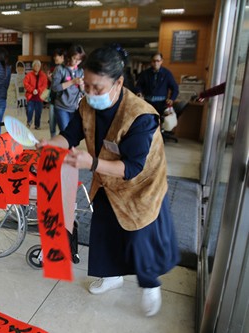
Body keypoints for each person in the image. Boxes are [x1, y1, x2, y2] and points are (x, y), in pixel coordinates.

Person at [38, 47, 179, 317]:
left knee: (139, 235)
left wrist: (90, 163)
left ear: (119, 83)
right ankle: (111, 276)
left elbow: (133, 166)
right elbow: (69, 134)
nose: (90, 94)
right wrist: (50, 145)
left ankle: (150, 284)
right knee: (103, 226)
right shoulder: (86, 105)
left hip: (141, 185)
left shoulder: (141, 116)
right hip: (107, 178)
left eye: (97, 88)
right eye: (86, 85)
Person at [51, 44, 85, 132]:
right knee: (65, 132)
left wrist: (81, 84)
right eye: (75, 58)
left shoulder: (80, 71)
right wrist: (72, 82)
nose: (77, 62)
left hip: (74, 107)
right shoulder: (60, 69)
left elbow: (83, 91)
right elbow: (55, 87)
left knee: (73, 133)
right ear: (69, 57)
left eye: (79, 60)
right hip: (61, 107)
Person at [23, 59, 48, 129]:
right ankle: (29, 122)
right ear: (33, 67)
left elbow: (45, 85)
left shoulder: (43, 75)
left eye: (38, 66)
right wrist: (32, 90)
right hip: (31, 96)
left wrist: (38, 90)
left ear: (40, 67)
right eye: (35, 66)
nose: (37, 67)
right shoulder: (29, 75)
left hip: (39, 97)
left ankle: (37, 125)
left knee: (38, 112)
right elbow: (25, 83)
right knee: (29, 110)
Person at [47, 48, 65, 137]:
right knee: (52, 124)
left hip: (60, 101)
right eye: (54, 57)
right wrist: (51, 79)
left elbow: (60, 86)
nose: (55, 59)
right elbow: (55, 85)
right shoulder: (56, 68)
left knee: (60, 125)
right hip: (53, 99)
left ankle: (60, 144)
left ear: (62, 57)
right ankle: (54, 143)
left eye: (56, 57)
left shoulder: (64, 69)